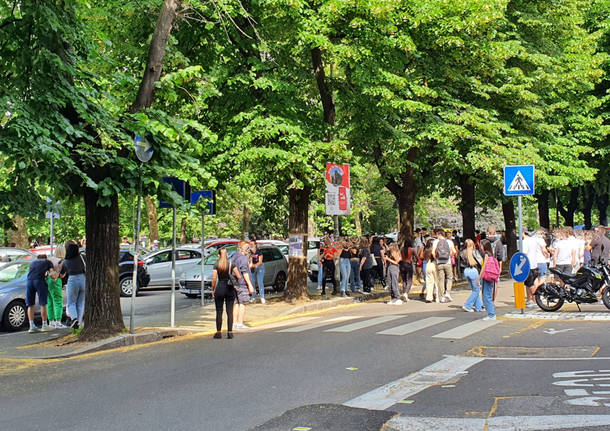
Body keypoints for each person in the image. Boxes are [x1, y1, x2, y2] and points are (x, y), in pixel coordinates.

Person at [60, 241, 86, 329]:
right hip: (83, 279)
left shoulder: (66, 261)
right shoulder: (82, 258)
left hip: (72, 280)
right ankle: (78, 322)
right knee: (81, 303)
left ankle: (74, 318)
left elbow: (62, 274)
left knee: (71, 302)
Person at [26, 254, 54, 333]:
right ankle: (44, 325)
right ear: (45, 258)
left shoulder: (33, 262)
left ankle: (31, 326)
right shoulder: (48, 262)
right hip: (39, 281)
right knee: (43, 303)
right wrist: (54, 276)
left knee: (30, 304)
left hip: (29, 281)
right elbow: (52, 273)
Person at [211, 248, 235, 339]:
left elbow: (214, 279)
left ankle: (218, 332)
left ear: (219, 255)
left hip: (220, 288)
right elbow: (238, 276)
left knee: (219, 311)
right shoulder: (231, 264)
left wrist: (213, 289)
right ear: (227, 254)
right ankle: (230, 332)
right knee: (230, 311)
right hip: (229, 288)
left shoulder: (216, 265)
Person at [232, 241, 255, 329]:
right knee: (243, 303)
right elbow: (244, 272)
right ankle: (240, 323)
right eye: (248, 248)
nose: (249, 251)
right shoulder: (243, 259)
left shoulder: (234, 256)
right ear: (245, 249)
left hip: (235, 283)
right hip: (242, 284)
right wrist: (250, 285)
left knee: (236, 303)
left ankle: (234, 323)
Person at [478, 239, 499, 320]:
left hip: (486, 277)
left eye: (481, 245)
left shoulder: (486, 255)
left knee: (486, 296)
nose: (480, 247)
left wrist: (479, 278)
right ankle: (491, 313)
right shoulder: (491, 255)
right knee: (487, 295)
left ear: (484, 246)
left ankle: (491, 314)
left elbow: (484, 267)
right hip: (491, 277)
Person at [47, 245, 66, 329]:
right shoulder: (61, 261)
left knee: (50, 301)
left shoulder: (50, 259)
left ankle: (51, 321)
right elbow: (61, 275)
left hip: (47, 280)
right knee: (58, 301)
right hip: (56, 281)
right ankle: (58, 321)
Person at [461, 239, 483, 312]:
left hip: (466, 271)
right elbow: (481, 261)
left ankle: (479, 307)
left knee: (474, 289)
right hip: (473, 270)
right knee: (476, 290)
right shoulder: (474, 252)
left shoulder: (462, 252)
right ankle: (467, 305)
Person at [433, 229, 454, 302]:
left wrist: (436, 259)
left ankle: (442, 296)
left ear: (438, 234)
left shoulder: (436, 242)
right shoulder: (449, 242)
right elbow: (454, 251)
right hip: (447, 262)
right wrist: (450, 257)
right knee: (449, 278)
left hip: (439, 263)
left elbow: (433, 252)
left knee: (441, 279)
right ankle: (447, 293)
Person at [249, 239, 265, 304]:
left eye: (252, 244)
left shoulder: (259, 251)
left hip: (259, 267)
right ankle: (253, 297)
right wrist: (250, 264)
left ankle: (262, 297)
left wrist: (253, 265)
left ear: (255, 245)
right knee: (252, 282)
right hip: (252, 268)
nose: (251, 245)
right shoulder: (250, 252)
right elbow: (249, 260)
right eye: (250, 244)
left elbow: (260, 261)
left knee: (260, 282)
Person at [424, 238, 439, 303]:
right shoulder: (434, 249)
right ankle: (438, 297)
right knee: (437, 282)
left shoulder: (426, 250)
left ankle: (429, 297)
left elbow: (422, 257)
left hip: (428, 264)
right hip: (434, 264)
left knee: (429, 282)